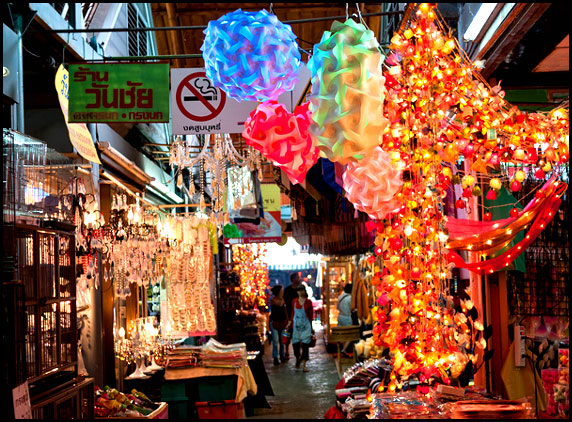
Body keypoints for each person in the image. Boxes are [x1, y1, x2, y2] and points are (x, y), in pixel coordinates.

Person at [287, 286, 314, 372]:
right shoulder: (294, 301)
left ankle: (304, 365)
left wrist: (311, 327)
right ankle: (297, 357)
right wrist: (289, 323)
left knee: (305, 346)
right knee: (295, 345)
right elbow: (292, 313)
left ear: (304, 291)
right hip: (296, 327)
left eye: (301, 290)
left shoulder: (308, 302)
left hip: (306, 326)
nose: (300, 292)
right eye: (298, 290)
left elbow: (310, 316)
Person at [283, 272, 302, 359]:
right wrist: (286, 317)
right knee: (288, 333)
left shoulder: (302, 288)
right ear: (293, 280)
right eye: (297, 278)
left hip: (299, 315)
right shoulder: (287, 290)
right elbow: (285, 304)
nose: (299, 279)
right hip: (289, 315)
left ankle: (298, 352)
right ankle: (286, 350)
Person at [269, 284, 288, 365]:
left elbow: (285, 311)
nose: (282, 292)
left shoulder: (283, 300)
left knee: (282, 340)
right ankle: (276, 358)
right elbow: (277, 308)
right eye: (281, 290)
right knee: (276, 341)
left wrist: (287, 320)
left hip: (282, 322)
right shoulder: (273, 300)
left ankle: (282, 356)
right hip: (274, 323)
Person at [337, 283, 354, 356]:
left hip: (340, 316)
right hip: (347, 317)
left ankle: (344, 349)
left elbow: (337, 307)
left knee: (343, 334)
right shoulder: (350, 298)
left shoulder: (340, 297)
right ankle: (344, 349)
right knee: (351, 334)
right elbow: (352, 308)